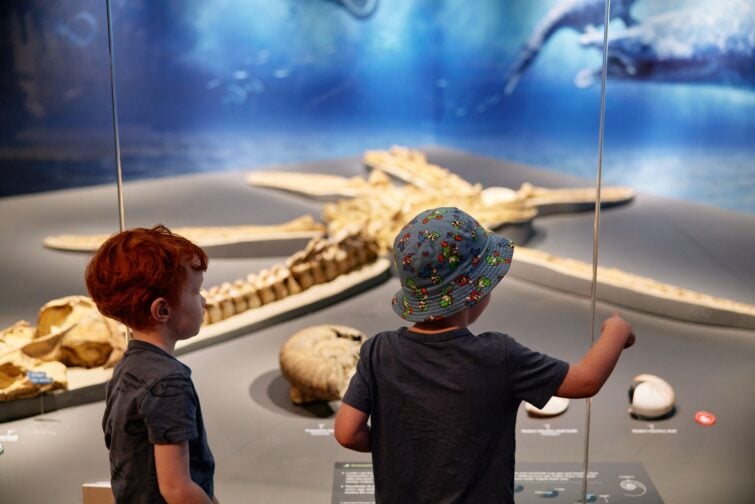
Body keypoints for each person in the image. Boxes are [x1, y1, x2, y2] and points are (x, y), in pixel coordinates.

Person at [334, 207, 635, 504]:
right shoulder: (498, 355)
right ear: (477, 291)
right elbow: (585, 382)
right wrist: (616, 331)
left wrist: (401, 449)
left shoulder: (378, 350)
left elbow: (347, 433)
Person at [85, 225, 218, 504]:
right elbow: (177, 489)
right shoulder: (169, 383)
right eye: (196, 292)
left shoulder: (128, 366)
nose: (204, 300)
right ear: (162, 310)